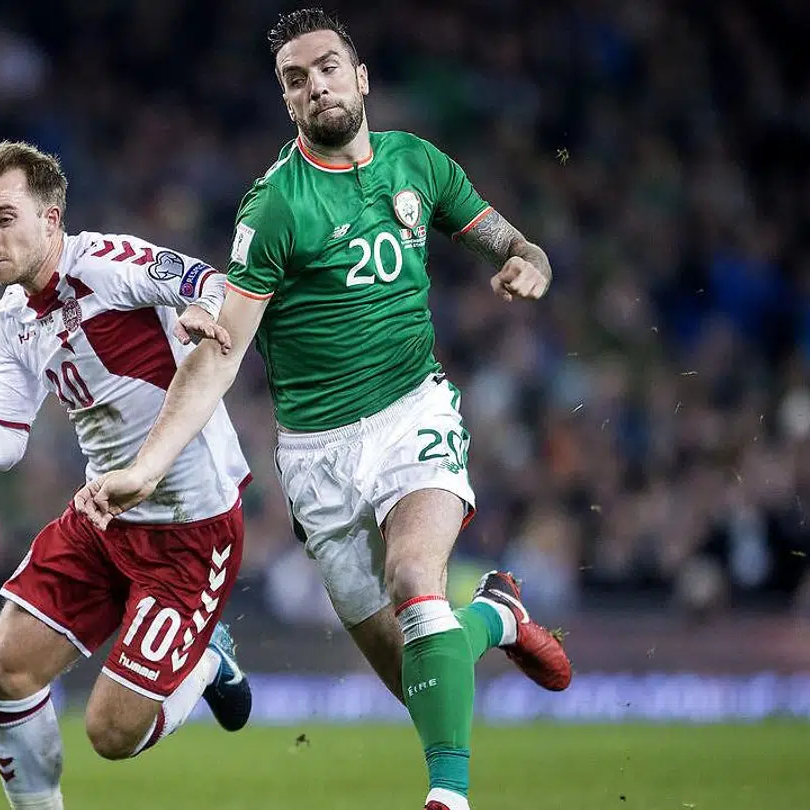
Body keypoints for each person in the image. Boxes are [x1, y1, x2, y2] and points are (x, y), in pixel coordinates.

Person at [74, 10, 571, 810]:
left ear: (361, 75)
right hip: (317, 454)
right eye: (295, 80)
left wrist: (531, 262)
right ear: (287, 101)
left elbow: (512, 243)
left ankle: (449, 798)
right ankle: (494, 619)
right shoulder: (274, 207)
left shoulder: (418, 164)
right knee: (421, 680)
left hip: (413, 412)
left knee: (416, 578)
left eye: (328, 68)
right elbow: (221, 353)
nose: (317, 87)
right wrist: (146, 467)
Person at [0, 141, 252, 810]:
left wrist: (200, 310)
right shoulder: (11, 318)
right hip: (102, 515)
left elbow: (214, 283)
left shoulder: (110, 264)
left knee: (111, 732)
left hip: (190, 528)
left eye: (5, 217)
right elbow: (6, 438)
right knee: (4, 673)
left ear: (51, 218)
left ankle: (210, 657)